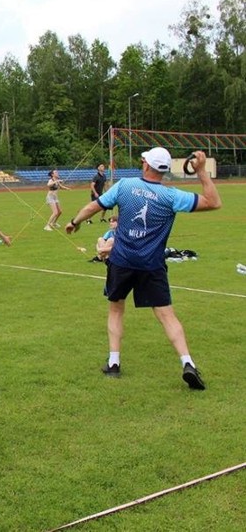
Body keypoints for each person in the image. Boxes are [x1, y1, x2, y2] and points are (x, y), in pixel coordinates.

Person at [65, 148, 221, 390]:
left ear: (146, 165)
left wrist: (74, 222)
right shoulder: (171, 196)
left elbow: (94, 207)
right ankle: (187, 362)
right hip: (151, 264)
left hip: (122, 261)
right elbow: (214, 202)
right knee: (166, 315)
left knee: (116, 309)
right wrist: (201, 171)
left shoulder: (125, 186)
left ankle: (114, 363)